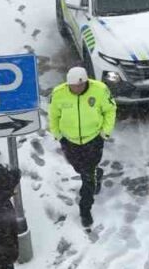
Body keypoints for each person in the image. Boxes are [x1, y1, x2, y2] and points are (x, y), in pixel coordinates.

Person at [48, 66, 116, 228]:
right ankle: (96, 174)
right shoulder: (58, 94)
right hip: (69, 141)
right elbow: (53, 116)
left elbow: (110, 110)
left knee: (87, 176)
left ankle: (85, 209)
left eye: (80, 85)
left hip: (93, 139)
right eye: (73, 86)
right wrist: (58, 136)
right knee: (79, 168)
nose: (76, 89)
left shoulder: (100, 90)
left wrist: (104, 133)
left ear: (86, 82)